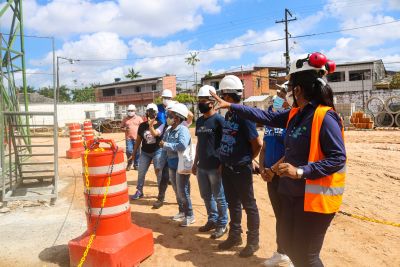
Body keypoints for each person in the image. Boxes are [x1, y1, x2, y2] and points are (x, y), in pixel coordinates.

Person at [211, 52, 346, 267]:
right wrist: (232, 106)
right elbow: (267, 117)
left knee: (307, 255)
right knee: (291, 247)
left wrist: (300, 171)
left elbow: (338, 158)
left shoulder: (325, 116)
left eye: (291, 86)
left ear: (298, 89)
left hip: (314, 199)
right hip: (292, 194)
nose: (288, 91)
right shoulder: (296, 113)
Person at [215, 75, 262, 258]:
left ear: (227, 96)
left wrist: (247, 159)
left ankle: (253, 242)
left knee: (249, 205)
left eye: (222, 95)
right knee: (232, 203)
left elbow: (257, 143)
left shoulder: (245, 115)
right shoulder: (229, 114)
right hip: (227, 167)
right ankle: (235, 236)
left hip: (241, 169)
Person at [259, 96, 292, 267]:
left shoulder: (291, 122)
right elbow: (264, 147)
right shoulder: (270, 123)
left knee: (289, 217)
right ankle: (282, 252)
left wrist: (272, 170)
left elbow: (292, 152)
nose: (276, 101)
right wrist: (263, 169)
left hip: (285, 177)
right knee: (280, 216)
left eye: (280, 96)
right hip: (270, 177)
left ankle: (293, 254)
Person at [192, 85, 228, 239]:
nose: (201, 103)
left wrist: (222, 163)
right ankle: (212, 220)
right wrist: (195, 162)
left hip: (215, 166)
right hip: (202, 166)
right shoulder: (199, 121)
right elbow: (200, 142)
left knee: (219, 197)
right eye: (199, 100)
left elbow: (226, 142)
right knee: (206, 196)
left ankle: (222, 224)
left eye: (203, 100)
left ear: (212, 102)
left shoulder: (219, 120)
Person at [160, 103, 195, 227]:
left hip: (181, 165)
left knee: (183, 191)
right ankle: (182, 211)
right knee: (176, 190)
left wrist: (166, 145)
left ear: (178, 118)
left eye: (171, 115)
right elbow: (162, 145)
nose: (168, 117)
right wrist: (161, 162)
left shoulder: (183, 130)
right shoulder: (169, 130)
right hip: (172, 164)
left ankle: (189, 215)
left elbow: (182, 145)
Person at [130, 103, 165, 200]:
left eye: (152, 112)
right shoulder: (142, 126)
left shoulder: (161, 125)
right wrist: (133, 153)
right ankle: (139, 191)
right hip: (145, 153)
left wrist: (151, 125)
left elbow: (156, 134)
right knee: (141, 172)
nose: (150, 114)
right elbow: (138, 140)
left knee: (158, 172)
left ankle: (161, 193)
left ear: (156, 113)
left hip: (157, 151)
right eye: (148, 112)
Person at [121, 104, 143, 171]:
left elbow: (143, 127)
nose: (130, 112)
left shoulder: (139, 118)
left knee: (137, 152)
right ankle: (129, 164)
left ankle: (136, 165)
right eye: (129, 110)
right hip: (129, 138)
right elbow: (121, 127)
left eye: (132, 110)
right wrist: (124, 129)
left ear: (135, 111)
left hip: (137, 138)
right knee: (129, 151)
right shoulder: (125, 119)